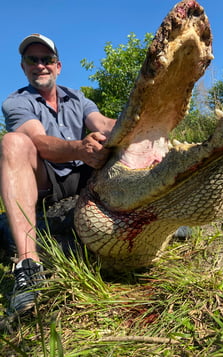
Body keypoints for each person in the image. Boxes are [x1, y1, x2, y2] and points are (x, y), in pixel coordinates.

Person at [0, 34, 115, 314]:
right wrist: (79, 147)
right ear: (24, 67)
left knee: (121, 141)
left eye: (47, 59)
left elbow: (102, 123)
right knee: (12, 142)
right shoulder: (16, 102)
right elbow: (40, 144)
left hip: (84, 172)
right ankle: (28, 267)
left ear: (58, 66)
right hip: (47, 179)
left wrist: (140, 122)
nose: (40, 65)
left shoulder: (78, 97)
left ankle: (157, 213)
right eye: (32, 60)